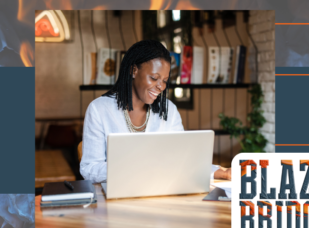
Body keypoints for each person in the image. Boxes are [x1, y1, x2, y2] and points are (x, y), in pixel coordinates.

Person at [80, 40, 231, 183]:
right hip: (117, 196)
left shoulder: (169, 110)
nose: (161, 87)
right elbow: (89, 169)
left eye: (165, 80)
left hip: (161, 191)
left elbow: (182, 160)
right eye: (154, 78)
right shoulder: (99, 109)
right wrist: (137, 168)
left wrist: (220, 173)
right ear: (134, 70)